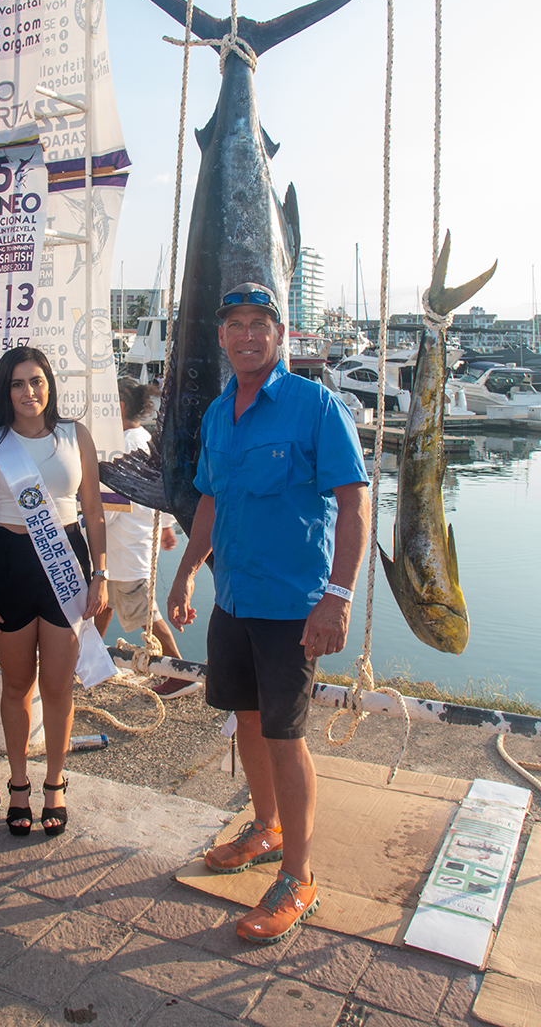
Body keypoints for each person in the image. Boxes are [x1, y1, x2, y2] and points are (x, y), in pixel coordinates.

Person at [168, 282, 370, 944]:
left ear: (280, 334)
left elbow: (354, 505)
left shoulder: (317, 407)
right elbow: (208, 501)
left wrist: (337, 598)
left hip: (293, 608)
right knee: (248, 721)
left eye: (261, 323)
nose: (248, 335)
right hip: (235, 600)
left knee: (286, 736)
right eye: (236, 324)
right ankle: (264, 827)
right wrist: (186, 572)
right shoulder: (218, 413)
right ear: (221, 336)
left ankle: (298, 875)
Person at [0, 346, 108, 838]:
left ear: (50, 383)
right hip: (9, 564)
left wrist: (101, 574)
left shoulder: (76, 435)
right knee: (15, 685)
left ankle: (55, 785)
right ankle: (19, 785)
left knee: (58, 687)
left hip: (65, 559)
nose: (30, 392)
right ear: (5, 392)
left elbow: (93, 512)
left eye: (37, 381)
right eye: (18, 384)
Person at [94, 378, 199, 699]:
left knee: (145, 615)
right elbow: (162, 491)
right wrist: (167, 526)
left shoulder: (120, 445)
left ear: (120, 408)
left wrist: (85, 528)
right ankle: (92, 659)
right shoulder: (146, 440)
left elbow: (110, 504)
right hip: (133, 543)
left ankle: (181, 671)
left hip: (123, 548)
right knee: (104, 604)